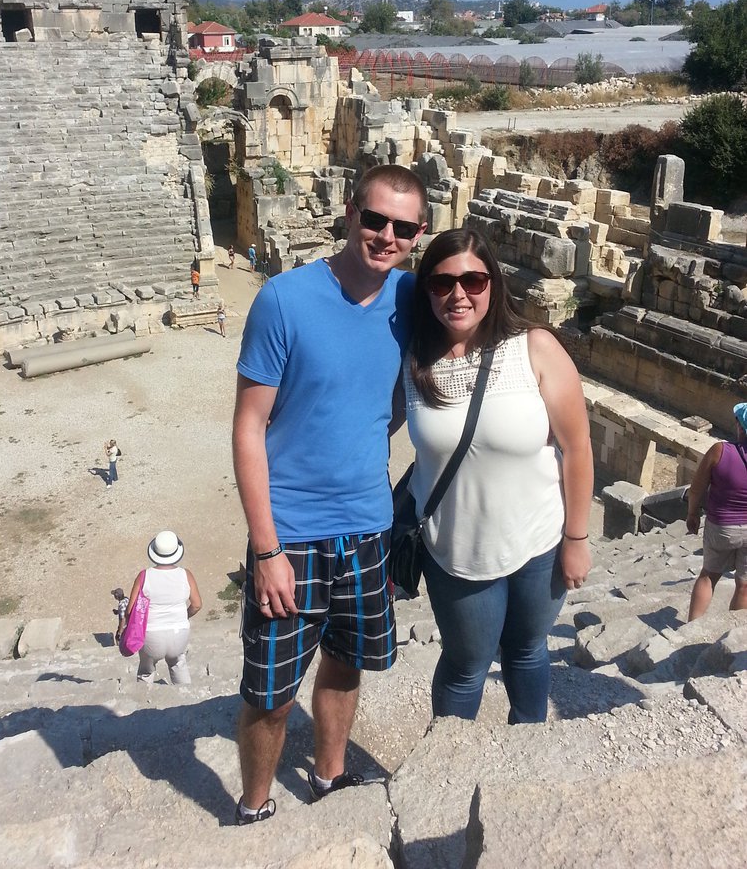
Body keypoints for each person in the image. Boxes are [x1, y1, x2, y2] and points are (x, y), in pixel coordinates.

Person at [232, 164, 427, 825]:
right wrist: (266, 549)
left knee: (346, 666)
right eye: (374, 219)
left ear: (417, 234)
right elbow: (248, 425)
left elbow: (396, 402)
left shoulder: (411, 301)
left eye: (402, 227)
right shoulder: (284, 300)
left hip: (369, 531)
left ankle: (329, 776)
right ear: (349, 213)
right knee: (270, 692)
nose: (385, 235)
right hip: (292, 536)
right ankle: (255, 804)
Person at [403, 228, 593, 724]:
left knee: (528, 651)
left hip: (539, 543)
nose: (458, 294)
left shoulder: (535, 347)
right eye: (442, 282)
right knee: (466, 666)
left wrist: (577, 537)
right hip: (457, 552)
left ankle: (523, 750)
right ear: (426, 289)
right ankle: (450, 768)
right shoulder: (409, 361)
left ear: (494, 284)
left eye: (473, 280)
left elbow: (576, 448)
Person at [686, 402, 747, 621]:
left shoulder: (720, 450)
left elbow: (696, 489)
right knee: (744, 585)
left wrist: (692, 514)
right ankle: (729, 633)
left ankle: (691, 628)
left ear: (740, 425)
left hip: (722, 526)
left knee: (708, 576)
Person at [122, 530, 202, 684]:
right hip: (179, 633)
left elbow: (130, 610)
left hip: (150, 635)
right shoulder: (186, 575)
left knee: (146, 670)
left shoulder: (144, 576)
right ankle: (185, 699)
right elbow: (197, 605)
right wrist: (184, 615)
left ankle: (144, 701)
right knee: (179, 664)